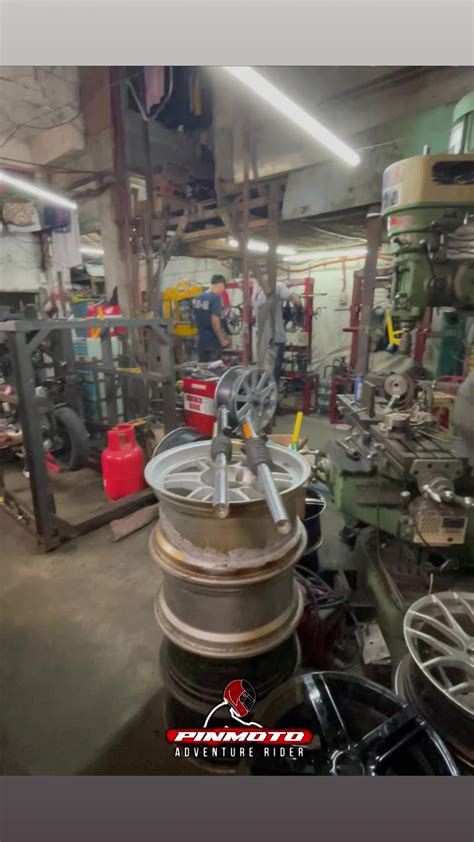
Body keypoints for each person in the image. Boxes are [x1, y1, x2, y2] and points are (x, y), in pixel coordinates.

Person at [252, 281, 301, 383]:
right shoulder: (278, 286)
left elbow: (253, 317)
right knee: (273, 377)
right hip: (275, 339)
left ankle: (264, 391)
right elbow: (296, 301)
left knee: (263, 373)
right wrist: (300, 310)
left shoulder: (256, 293)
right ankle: (272, 392)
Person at [192, 275, 230, 362]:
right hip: (213, 342)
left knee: (202, 368)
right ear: (220, 285)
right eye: (223, 288)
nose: (222, 291)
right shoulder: (216, 298)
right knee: (214, 368)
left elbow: (194, 316)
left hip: (201, 341)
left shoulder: (198, 297)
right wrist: (222, 340)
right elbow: (215, 319)